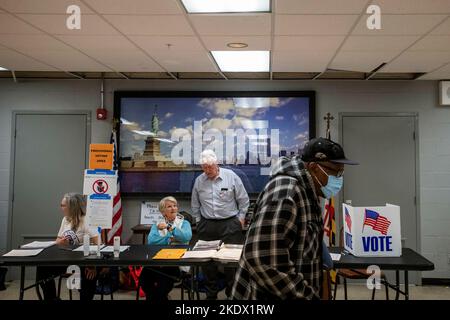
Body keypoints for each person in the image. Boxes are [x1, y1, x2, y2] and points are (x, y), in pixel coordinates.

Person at [231, 137, 358, 300]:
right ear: (314, 167)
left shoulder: (307, 190)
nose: (339, 179)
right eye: (335, 172)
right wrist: (306, 296)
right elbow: (262, 260)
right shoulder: (286, 193)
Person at [191, 149, 250, 300]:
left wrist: (241, 219)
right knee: (207, 262)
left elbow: (244, 200)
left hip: (230, 224)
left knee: (231, 261)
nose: (207, 170)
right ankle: (211, 294)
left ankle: (232, 294)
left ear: (216, 164)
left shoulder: (231, 177)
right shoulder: (199, 180)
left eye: (210, 167)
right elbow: (195, 204)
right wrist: (198, 221)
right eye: (204, 167)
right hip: (207, 225)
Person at [35, 193, 100, 300]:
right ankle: (51, 298)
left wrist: (93, 265)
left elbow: (99, 244)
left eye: (63, 205)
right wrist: (61, 242)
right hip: (66, 259)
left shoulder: (86, 220)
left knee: (89, 275)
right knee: (43, 269)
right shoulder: (65, 219)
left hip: (84, 260)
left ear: (72, 207)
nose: (61, 208)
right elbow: (57, 240)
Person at [139, 196, 192, 301]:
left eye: (175, 206)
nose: (173, 208)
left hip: (175, 262)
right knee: (144, 280)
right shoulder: (157, 225)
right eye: (169, 206)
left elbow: (185, 237)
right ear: (163, 212)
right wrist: (170, 238)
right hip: (157, 260)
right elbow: (152, 241)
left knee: (163, 284)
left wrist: (169, 228)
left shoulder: (185, 223)